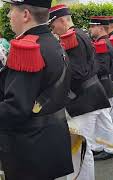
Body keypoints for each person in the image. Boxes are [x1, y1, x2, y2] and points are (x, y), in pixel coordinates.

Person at [0, 0, 73, 179]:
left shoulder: (27, 48)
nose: (9, 15)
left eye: (11, 10)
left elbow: (15, 109)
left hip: (29, 147)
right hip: (52, 139)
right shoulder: (53, 41)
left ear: (25, 15)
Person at [49, 4, 111, 179]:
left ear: (61, 21)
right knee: (81, 148)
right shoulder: (80, 33)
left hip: (84, 99)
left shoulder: (71, 37)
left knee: (80, 149)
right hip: (89, 95)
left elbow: (78, 71)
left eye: (52, 25)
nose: (52, 29)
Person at [88, 16, 113, 160]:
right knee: (102, 119)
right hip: (103, 85)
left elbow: (102, 68)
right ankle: (102, 147)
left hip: (103, 85)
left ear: (100, 28)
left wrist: (87, 70)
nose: (90, 29)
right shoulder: (102, 41)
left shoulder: (101, 43)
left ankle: (109, 149)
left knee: (104, 119)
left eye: (92, 26)